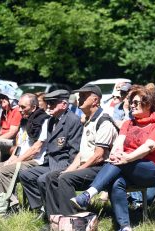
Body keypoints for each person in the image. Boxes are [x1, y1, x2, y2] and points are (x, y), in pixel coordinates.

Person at [70, 86, 155, 231]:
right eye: (131, 102)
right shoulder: (128, 123)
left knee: (119, 162)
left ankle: (89, 194)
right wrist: (117, 154)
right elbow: (118, 143)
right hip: (127, 166)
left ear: (148, 104)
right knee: (117, 183)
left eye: (136, 102)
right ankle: (125, 226)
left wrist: (127, 158)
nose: (132, 105)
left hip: (151, 170)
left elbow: (149, 146)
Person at [44, 84, 117, 217]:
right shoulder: (88, 121)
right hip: (88, 166)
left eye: (83, 96)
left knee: (66, 178)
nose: (79, 99)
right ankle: (55, 218)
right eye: (79, 96)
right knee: (52, 177)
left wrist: (78, 169)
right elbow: (81, 154)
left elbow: (99, 156)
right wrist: (69, 169)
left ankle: (72, 219)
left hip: (102, 169)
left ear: (95, 100)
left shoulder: (103, 121)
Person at [19, 90, 83, 218]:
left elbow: (74, 151)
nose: (48, 106)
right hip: (50, 162)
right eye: (48, 103)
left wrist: (68, 169)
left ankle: (54, 215)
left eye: (52, 103)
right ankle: (41, 207)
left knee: (43, 179)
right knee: (25, 174)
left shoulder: (73, 121)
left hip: (65, 163)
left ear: (64, 105)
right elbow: (50, 148)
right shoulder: (51, 121)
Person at [0, 93, 49, 208]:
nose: (19, 110)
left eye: (23, 107)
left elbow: (36, 149)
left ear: (34, 107)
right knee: (0, 167)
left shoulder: (44, 121)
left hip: (36, 161)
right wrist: (10, 160)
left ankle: (13, 206)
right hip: (22, 159)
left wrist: (16, 162)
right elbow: (19, 146)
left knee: (4, 171)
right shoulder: (25, 122)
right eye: (19, 106)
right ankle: (2, 203)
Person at [0, 86, 22, 162]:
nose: (2, 105)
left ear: (10, 100)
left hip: (13, 141)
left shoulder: (16, 111)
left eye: (4, 102)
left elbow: (12, 132)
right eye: (0, 102)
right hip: (4, 139)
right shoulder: (4, 112)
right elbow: (1, 130)